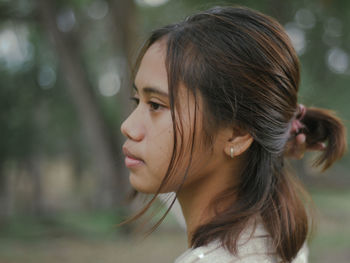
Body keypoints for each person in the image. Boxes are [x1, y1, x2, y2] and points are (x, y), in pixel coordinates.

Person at [120, 6, 346, 263]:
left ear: (237, 133)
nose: (127, 126)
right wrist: (266, 147)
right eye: (136, 99)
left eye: (156, 105)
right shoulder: (272, 232)